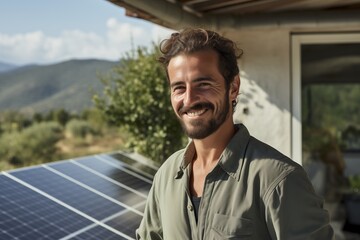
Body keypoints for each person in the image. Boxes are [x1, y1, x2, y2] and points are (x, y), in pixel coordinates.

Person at [136, 28, 334, 240]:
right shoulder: (166, 176)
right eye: (179, 88)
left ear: (233, 87)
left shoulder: (279, 180)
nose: (189, 99)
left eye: (203, 84)